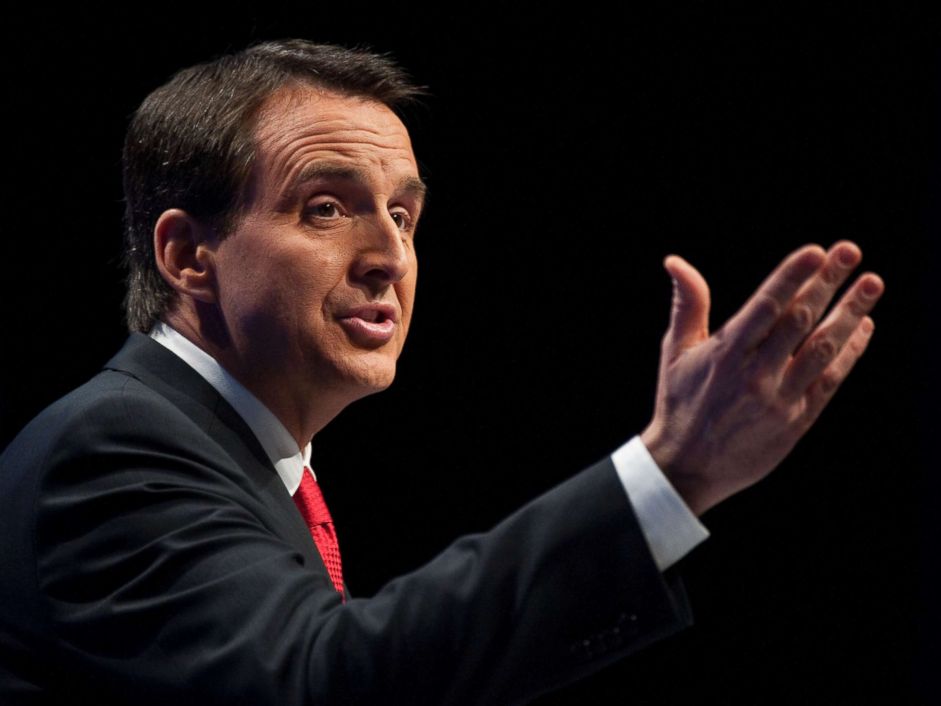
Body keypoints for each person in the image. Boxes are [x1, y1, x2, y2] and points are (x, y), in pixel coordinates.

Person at [0, 39, 884, 705]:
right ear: (190, 256)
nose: (390, 254)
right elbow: (326, 682)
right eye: (325, 209)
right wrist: (669, 475)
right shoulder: (113, 449)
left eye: (404, 214)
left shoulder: (238, 455)